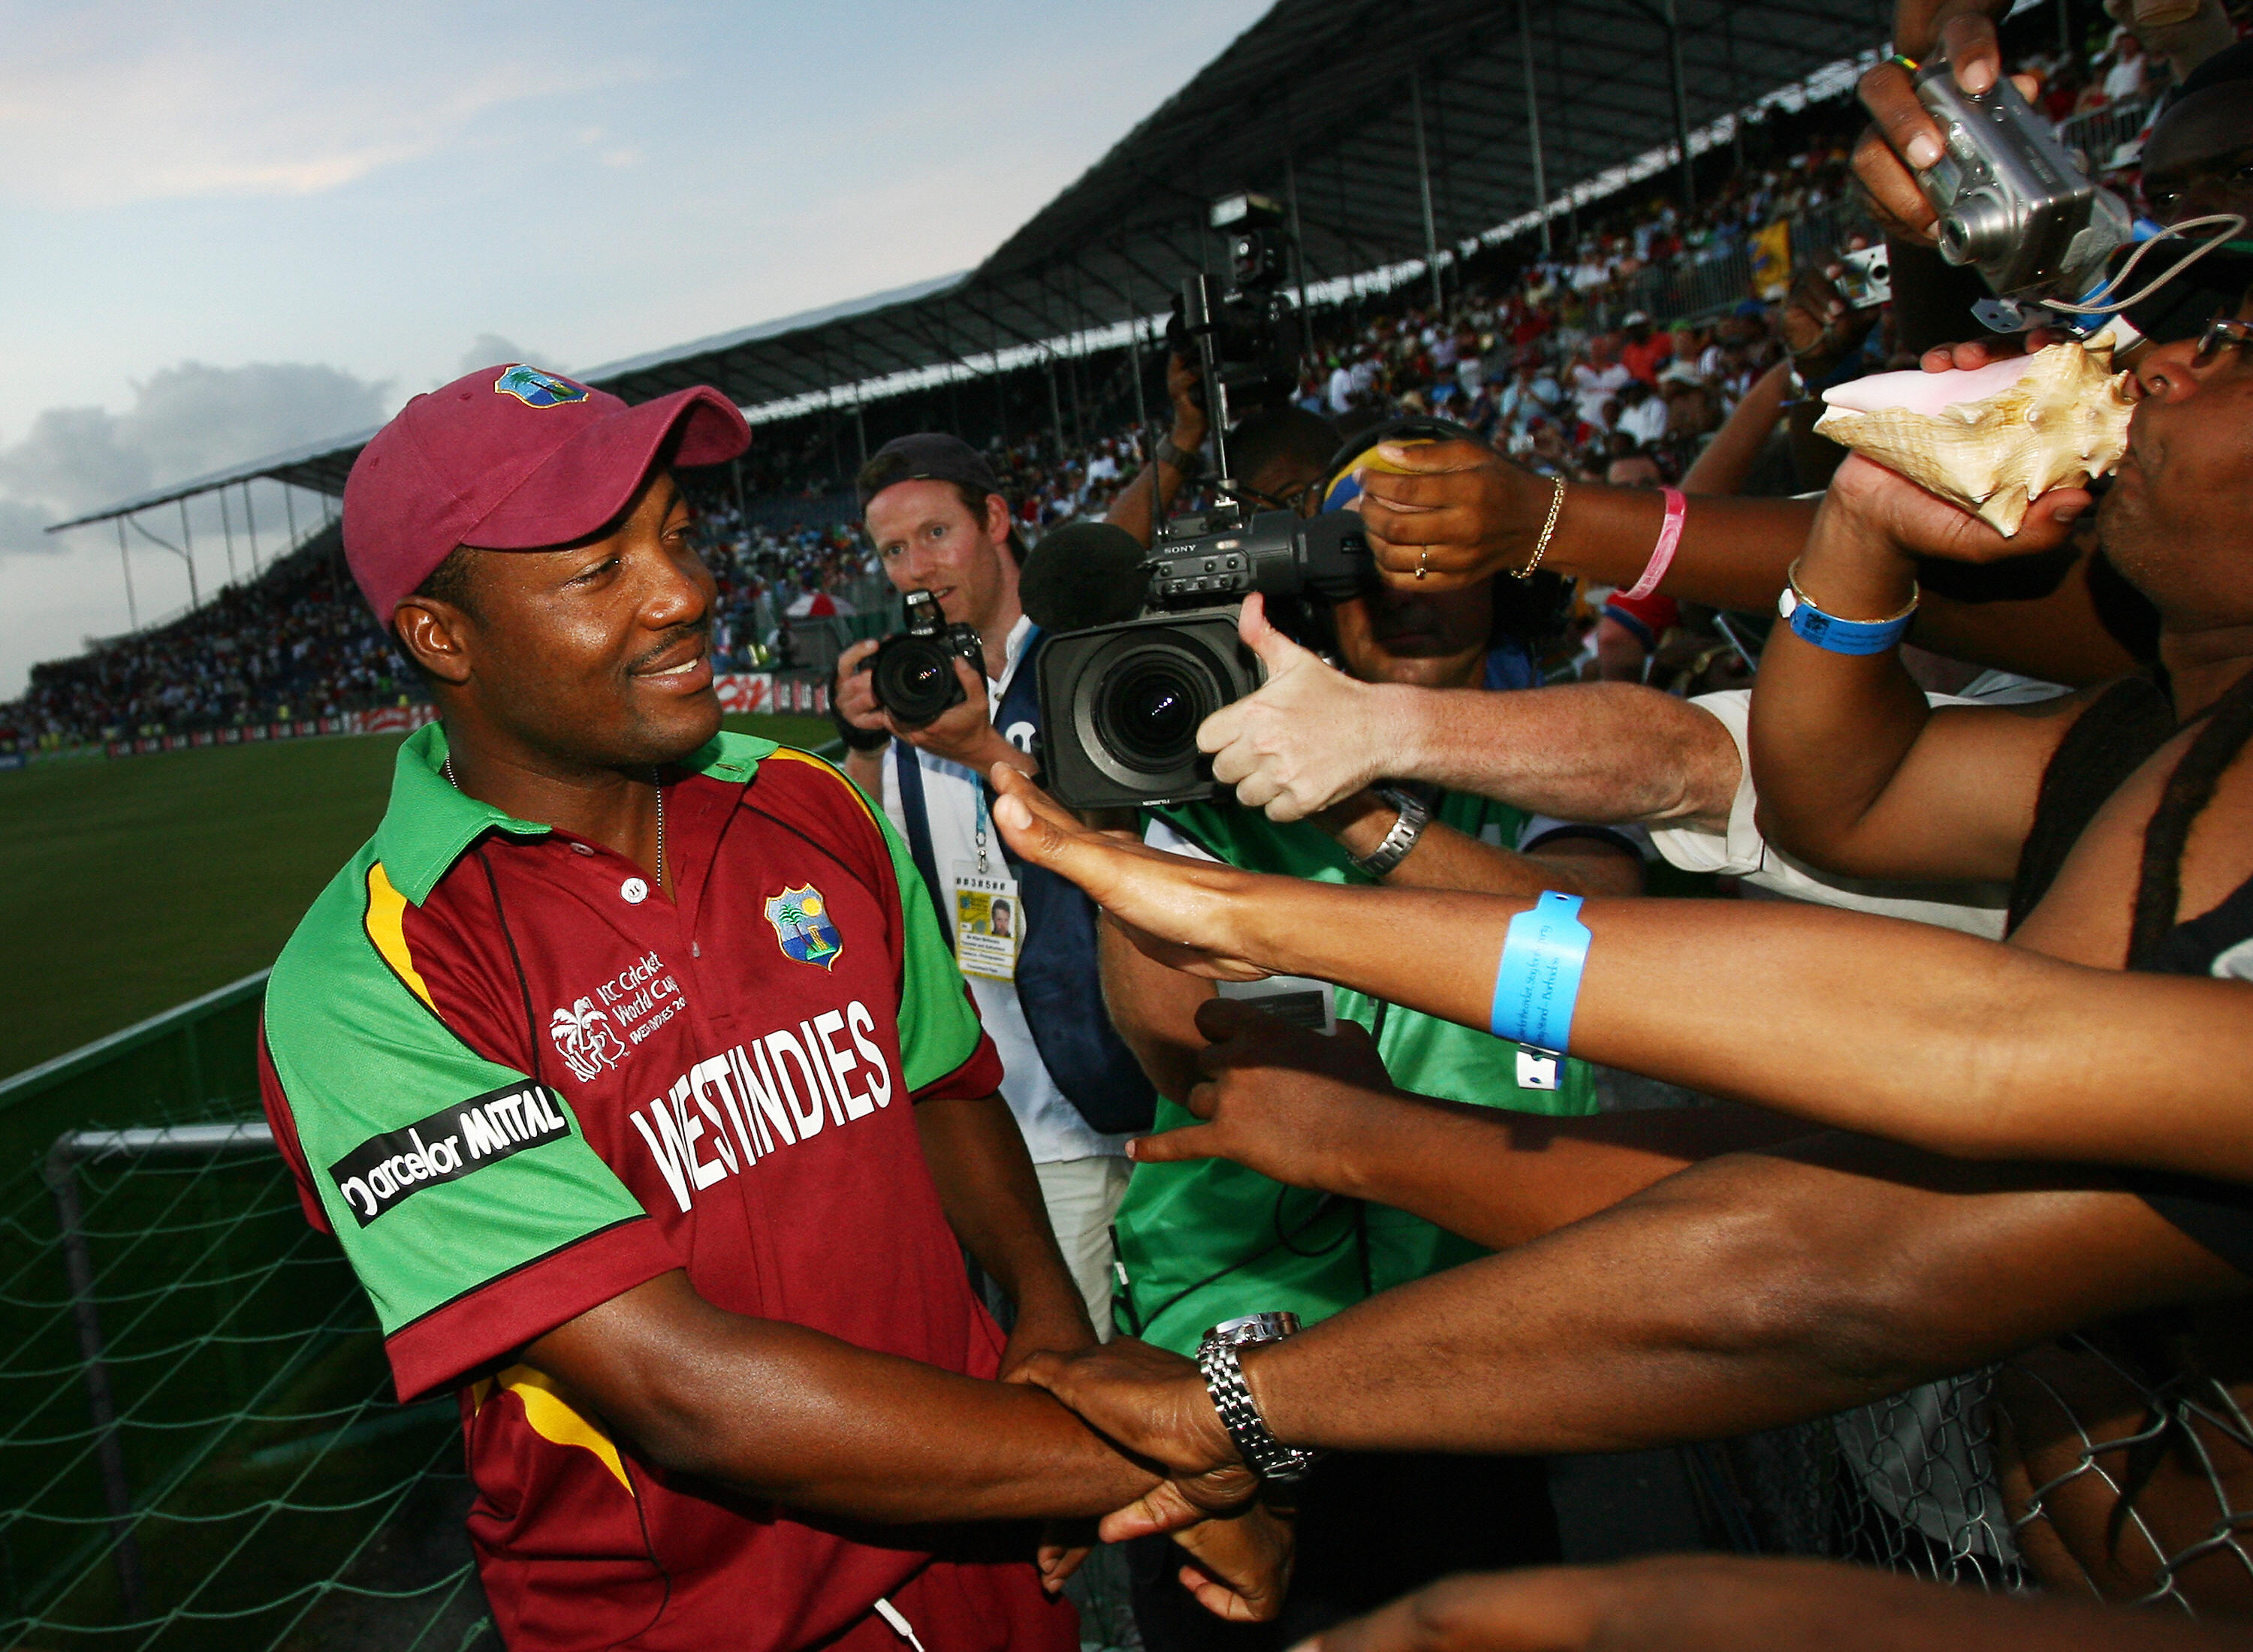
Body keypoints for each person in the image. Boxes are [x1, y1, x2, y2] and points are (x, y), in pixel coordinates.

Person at [990, 306, 2253, 1607]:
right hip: (1309, 1310)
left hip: (1514, 1321)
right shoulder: (2147, 753)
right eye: (1371, 571)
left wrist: (1292, 887)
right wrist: (1856, 527)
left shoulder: (1499, 747)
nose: (2161, 353)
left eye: (2239, 345)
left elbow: (1921, 1120)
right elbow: (1800, 785)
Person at [258, 366, 1286, 1652]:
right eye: (597, 570)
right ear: (442, 638)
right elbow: (680, 1390)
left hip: (987, 1560)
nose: (685, 593)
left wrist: (1045, 1315)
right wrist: (1153, 1455)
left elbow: (944, 1086)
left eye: (678, 537)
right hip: (703, 1623)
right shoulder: (369, 982)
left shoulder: (813, 805)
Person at [834, 434, 1154, 1340]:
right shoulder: (915, 702)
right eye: (894, 551)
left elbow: (1151, 862)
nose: (916, 569)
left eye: (936, 533)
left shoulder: (1089, 660)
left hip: (1150, 1079)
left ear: (997, 521)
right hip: (1021, 1124)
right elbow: (867, 878)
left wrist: (987, 754)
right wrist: (862, 742)